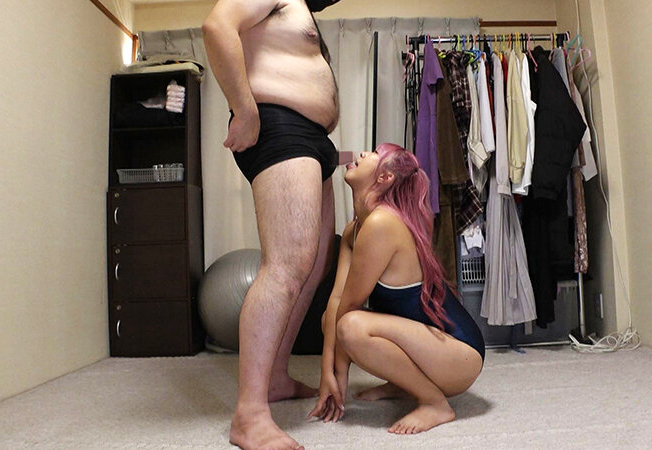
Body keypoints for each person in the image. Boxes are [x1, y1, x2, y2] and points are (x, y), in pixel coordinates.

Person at [202, 0, 341, 448]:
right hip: (280, 126)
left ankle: (276, 377)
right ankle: (249, 414)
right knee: (285, 266)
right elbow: (218, 26)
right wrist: (244, 110)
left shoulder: (300, 6)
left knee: (312, 267)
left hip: (311, 138)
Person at [308, 143, 485, 434]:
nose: (361, 154)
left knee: (351, 327)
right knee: (332, 318)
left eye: (373, 154)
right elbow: (337, 301)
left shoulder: (382, 223)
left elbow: (349, 309)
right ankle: (404, 384)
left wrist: (337, 374)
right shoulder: (355, 229)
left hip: (460, 353)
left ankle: (435, 403)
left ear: (385, 177)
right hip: (429, 348)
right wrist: (328, 373)